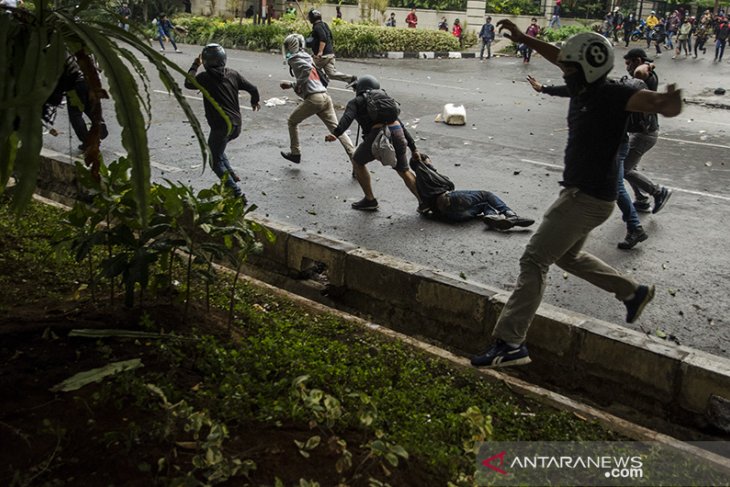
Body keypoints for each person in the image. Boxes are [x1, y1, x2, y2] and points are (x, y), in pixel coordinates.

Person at [470, 25, 682, 369]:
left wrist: (667, 101)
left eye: (570, 66)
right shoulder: (581, 85)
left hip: (584, 199)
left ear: (588, 68)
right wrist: (525, 40)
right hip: (589, 196)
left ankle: (511, 344)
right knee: (567, 258)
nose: (563, 69)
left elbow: (652, 102)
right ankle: (632, 292)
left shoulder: (614, 94)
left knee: (533, 260)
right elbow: (559, 56)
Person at [324, 75, 420, 211]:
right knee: (403, 170)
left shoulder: (356, 102)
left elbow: (347, 118)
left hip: (377, 135)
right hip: (397, 130)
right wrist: (413, 147)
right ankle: (424, 202)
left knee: (357, 161)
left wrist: (335, 134)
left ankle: (370, 199)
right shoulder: (385, 100)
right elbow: (401, 124)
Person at [184, 44, 260, 198]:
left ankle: (236, 192)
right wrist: (254, 101)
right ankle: (231, 175)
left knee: (213, 160)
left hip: (221, 126)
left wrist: (194, 65)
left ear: (205, 61)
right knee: (218, 150)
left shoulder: (204, 78)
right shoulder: (233, 74)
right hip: (236, 125)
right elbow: (253, 88)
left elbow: (188, 83)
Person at [279, 34, 355, 166]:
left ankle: (295, 153)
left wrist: (295, 85)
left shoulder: (294, 59)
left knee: (292, 121)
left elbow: (306, 73)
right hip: (325, 96)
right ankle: (355, 159)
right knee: (337, 130)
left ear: (291, 46)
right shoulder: (307, 57)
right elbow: (309, 76)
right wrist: (293, 84)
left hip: (314, 99)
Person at [413, 154, 534, 229]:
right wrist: (426, 164)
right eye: (429, 160)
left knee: (485, 205)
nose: (431, 163)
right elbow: (449, 184)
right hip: (450, 199)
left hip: (454, 216)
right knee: (486, 195)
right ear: (424, 163)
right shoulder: (425, 173)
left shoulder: (419, 184)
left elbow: (423, 209)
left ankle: (492, 216)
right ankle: (510, 215)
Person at [621, 49, 672, 216]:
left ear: (637, 60)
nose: (627, 67)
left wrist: (647, 65)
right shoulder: (641, 78)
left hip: (645, 134)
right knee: (630, 167)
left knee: (624, 169)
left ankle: (658, 192)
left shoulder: (647, 77)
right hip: (641, 132)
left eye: (629, 63)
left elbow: (639, 72)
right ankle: (641, 200)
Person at [43, 56, 109, 152]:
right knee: (89, 108)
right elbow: (99, 65)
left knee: (75, 114)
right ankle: (100, 127)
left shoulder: (62, 51)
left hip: (76, 84)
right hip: (92, 81)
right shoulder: (85, 49)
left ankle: (88, 142)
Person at [307, 9, 356, 84]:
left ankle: (319, 82)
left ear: (312, 18)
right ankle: (351, 79)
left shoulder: (317, 27)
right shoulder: (324, 25)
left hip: (323, 56)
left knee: (308, 67)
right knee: (332, 74)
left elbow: (323, 38)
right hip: (330, 55)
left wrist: (320, 52)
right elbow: (330, 37)